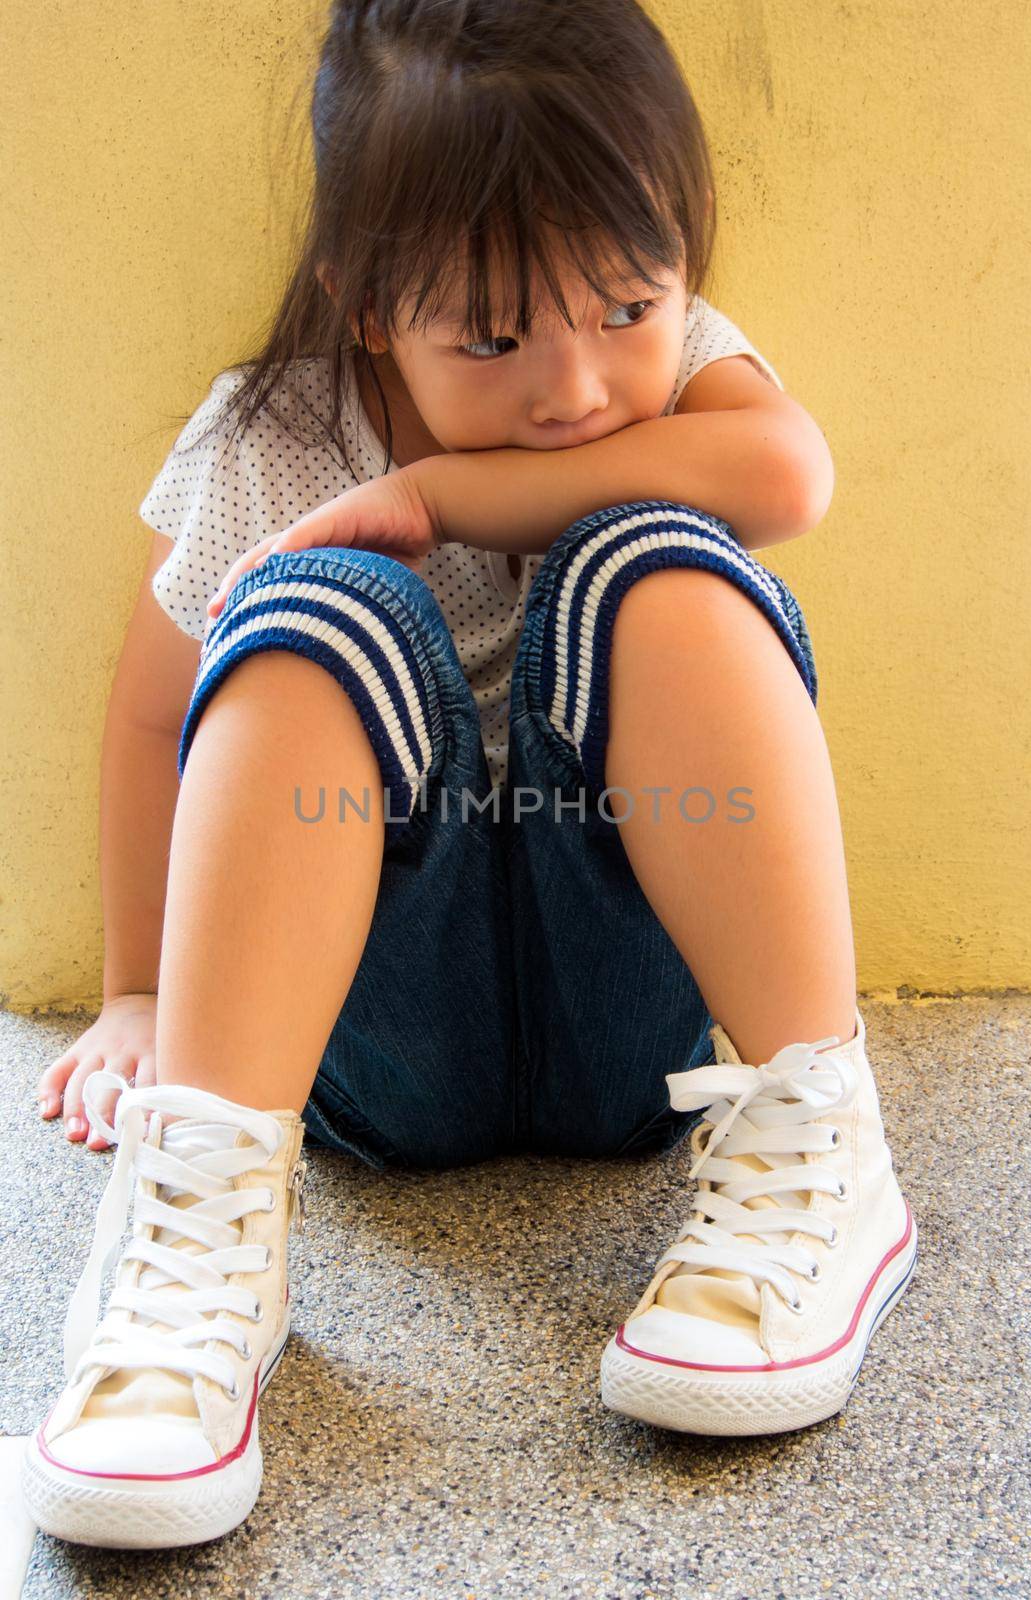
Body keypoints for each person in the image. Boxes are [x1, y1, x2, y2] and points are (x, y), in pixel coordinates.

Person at [23, 0, 916, 1551]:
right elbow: (153, 716)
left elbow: (788, 476)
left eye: (628, 305)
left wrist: (445, 489)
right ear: (369, 304)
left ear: (678, 269)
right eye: (494, 341)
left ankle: (819, 1138)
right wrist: (138, 996)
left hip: (634, 1026)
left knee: (663, 559)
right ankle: (194, 1250)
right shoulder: (274, 436)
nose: (577, 385)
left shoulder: (683, 373)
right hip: (378, 1039)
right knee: (304, 615)